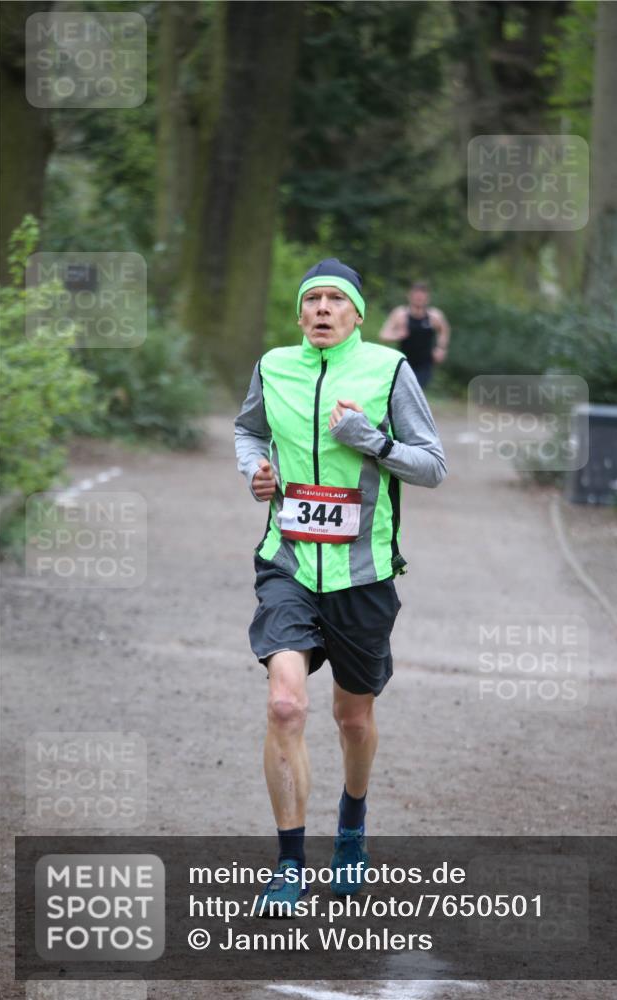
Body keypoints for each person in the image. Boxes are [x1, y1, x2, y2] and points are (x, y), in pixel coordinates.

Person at [234, 258, 446, 915]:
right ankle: (289, 864)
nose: (322, 309)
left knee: (351, 717)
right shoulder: (273, 367)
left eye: (335, 300)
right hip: (289, 564)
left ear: (356, 315)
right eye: (312, 300)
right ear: (299, 314)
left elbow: (432, 465)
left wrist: (371, 440)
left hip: (362, 576)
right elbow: (248, 431)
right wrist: (256, 471)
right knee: (285, 706)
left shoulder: (388, 371)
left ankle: (351, 823)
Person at [378, 281, 451, 390]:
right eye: (416, 296)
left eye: (421, 297)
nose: (419, 299)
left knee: (414, 389)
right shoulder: (400, 314)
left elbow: (444, 330)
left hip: (424, 365)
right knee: (403, 391)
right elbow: (383, 335)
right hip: (404, 362)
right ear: (409, 296)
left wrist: (441, 348)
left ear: (427, 298)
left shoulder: (434, 316)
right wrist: (397, 335)